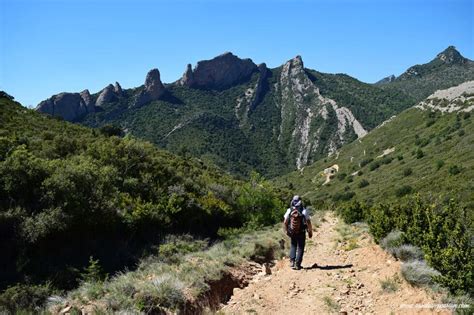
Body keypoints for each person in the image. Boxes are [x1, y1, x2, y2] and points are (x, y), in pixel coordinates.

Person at [283, 195, 313, 270]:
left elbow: (285, 221)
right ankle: (298, 264)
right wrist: (310, 231)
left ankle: (292, 261)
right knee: (300, 247)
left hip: (292, 231)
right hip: (301, 232)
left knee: (293, 245)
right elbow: (308, 222)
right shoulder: (303, 210)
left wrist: (286, 230)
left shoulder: (289, 210)